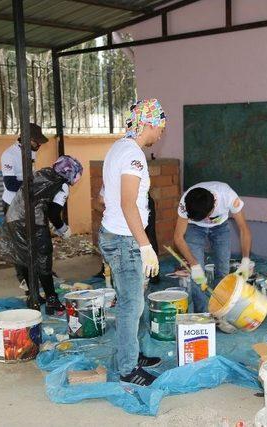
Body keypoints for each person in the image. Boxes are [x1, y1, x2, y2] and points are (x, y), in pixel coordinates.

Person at [98, 99, 166, 386]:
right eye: (161, 127)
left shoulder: (119, 148)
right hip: (126, 240)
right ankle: (127, 369)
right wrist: (145, 245)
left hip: (118, 235)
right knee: (130, 305)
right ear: (148, 124)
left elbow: (103, 195)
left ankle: (132, 353)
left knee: (133, 302)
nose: (161, 133)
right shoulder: (133, 156)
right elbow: (128, 204)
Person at [0, 155, 83, 315]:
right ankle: (52, 299)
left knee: (25, 256)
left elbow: (38, 200)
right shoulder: (62, 186)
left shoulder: (42, 173)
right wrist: (63, 229)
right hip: (32, 222)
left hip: (13, 218)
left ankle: (33, 296)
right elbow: (53, 212)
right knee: (43, 256)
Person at [1, 123, 66, 294]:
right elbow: (10, 184)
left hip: (29, 202)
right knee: (21, 243)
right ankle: (25, 279)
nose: (40, 145)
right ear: (28, 139)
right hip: (13, 204)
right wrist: (37, 186)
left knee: (37, 239)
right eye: (37, 142)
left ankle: (41, 272)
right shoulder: (9, 155)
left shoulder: (30, 153)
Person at [173, 181, 252, 313]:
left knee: (223, 271)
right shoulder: (186, 201)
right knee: (197, 276)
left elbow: (244, 229)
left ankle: (220, 313)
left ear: (214, 204)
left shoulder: (228, 196)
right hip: (194, 228)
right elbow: (178, 237)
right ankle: (202, 315)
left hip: (220, 227)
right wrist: (194, 265)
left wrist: (245, 260)